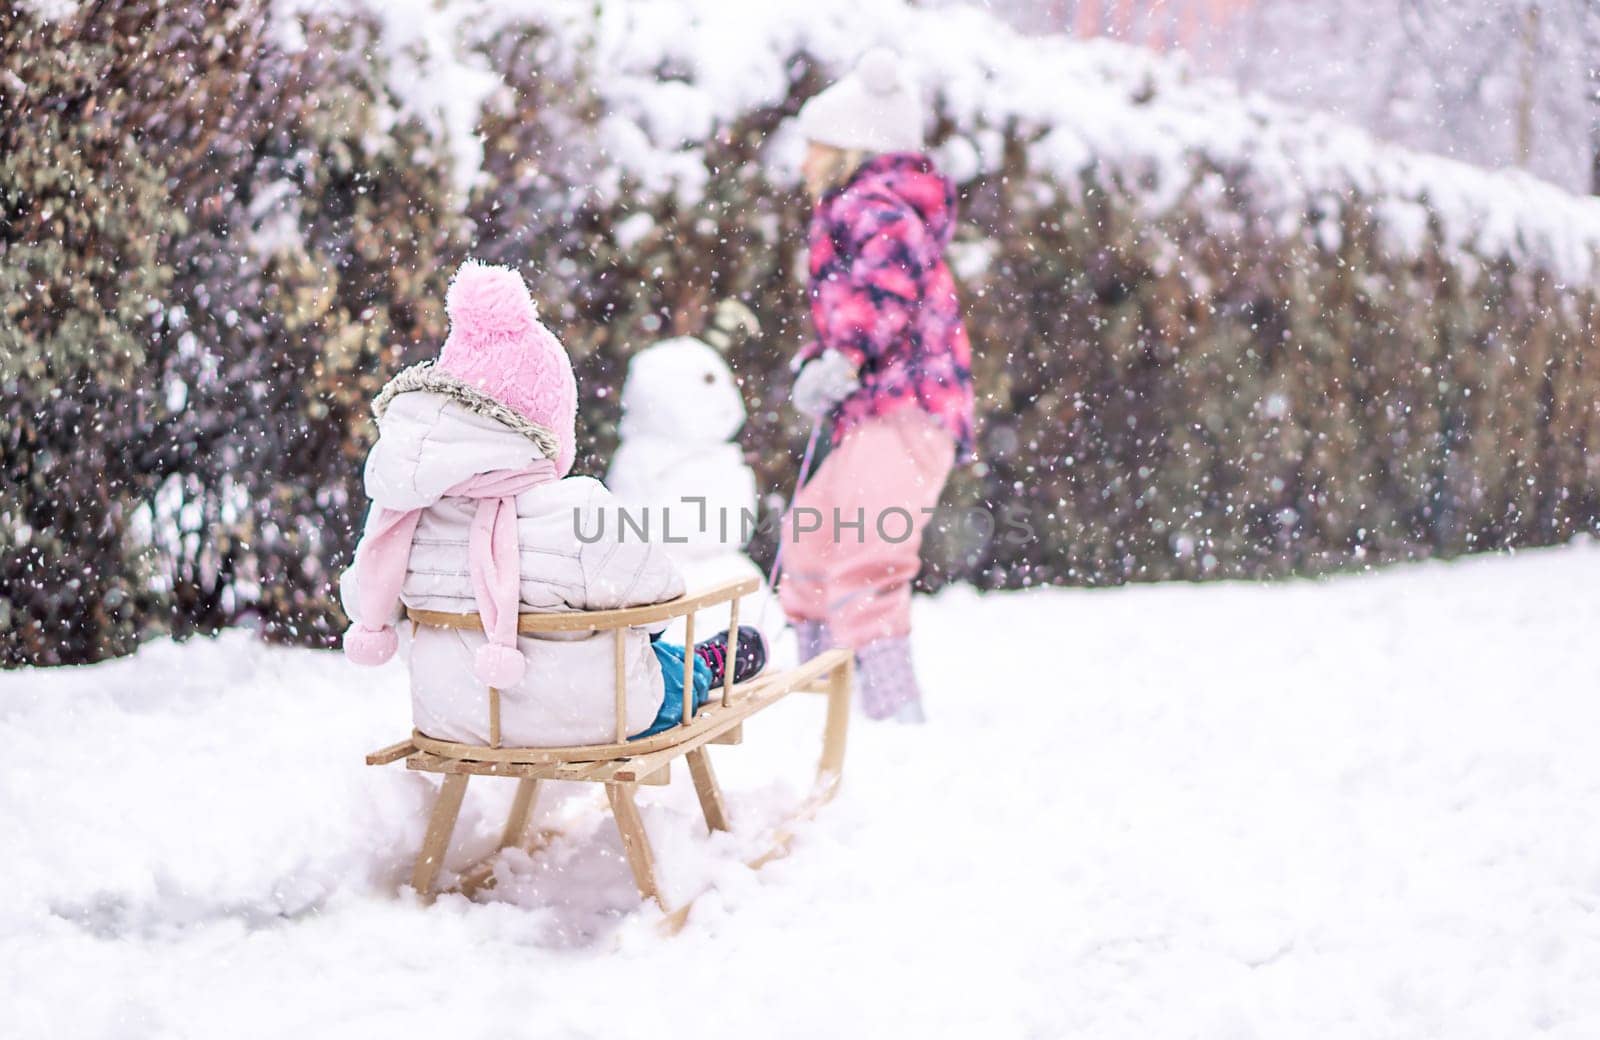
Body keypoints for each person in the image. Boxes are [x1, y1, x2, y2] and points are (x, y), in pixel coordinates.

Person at [339, 259, 764, 747]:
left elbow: (360, 597)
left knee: (629, 651)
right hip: (589, 719)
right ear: (550, 419)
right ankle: (705, 665)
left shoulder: (403, 516)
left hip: (455, 717)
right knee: (658, 664)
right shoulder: (577, 511)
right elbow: (657, 604)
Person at [780, 49, 975, 723]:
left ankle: (892, 720)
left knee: (865, 557)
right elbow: (865, 309)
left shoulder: (877, 206)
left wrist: (842, 358)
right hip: (876, 410)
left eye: (812, 147)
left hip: (910, 409)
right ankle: (814, 705)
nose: (801, 163)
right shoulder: (861, 206)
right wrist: (823, 361)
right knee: (807, 545)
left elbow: (885, 293)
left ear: (845, 148)